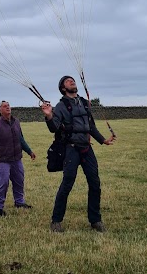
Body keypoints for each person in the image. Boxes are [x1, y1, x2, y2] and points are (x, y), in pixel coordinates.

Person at [41, 76, 114, 232]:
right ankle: (56, 221)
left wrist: (103, 140)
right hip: (71, 149)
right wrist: (48, 115)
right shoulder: (61, 106)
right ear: (63, 88)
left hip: (87, 148)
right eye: (68, 81)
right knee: (67, 183)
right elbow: (54, 128)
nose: (72, 81)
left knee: (95, 183)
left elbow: (91, 126)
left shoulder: (85, 103)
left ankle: (95, 220)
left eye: (72, 80)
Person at [0, 100, 36, 216]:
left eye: (8, 105)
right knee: (3, 182)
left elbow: (21, 139)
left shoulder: (16, 122)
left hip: (16, 159)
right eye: (4, 106)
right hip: (3, 160)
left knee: (19, 180)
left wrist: (29, 151)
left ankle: (19, 202)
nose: (8, 107)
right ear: (0, 110)